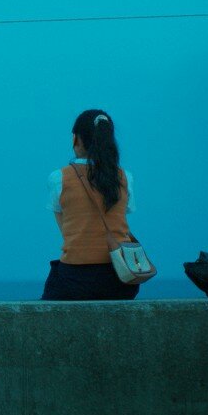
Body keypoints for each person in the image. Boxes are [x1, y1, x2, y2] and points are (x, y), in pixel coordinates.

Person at [42, 109, 139, 301]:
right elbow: (123, 215)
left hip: (76, 280)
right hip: (122, 280)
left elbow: (66, 231)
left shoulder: (59, 178)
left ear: (76, 139)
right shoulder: (125, 177)